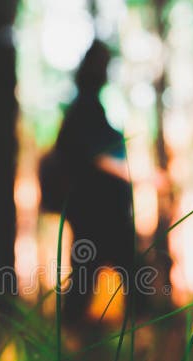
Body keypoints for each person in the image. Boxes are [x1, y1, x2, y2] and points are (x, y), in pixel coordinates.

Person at [39, 40, 136, 322]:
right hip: (95, 213)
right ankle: (73, 345)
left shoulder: (89, 109)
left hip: (99, 212)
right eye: (103, 65)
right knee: (92, 277)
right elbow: (89, 154)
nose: (107, 71)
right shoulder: (84, 110)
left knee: (100, 275)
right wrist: (130, 173)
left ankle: (88, 342)